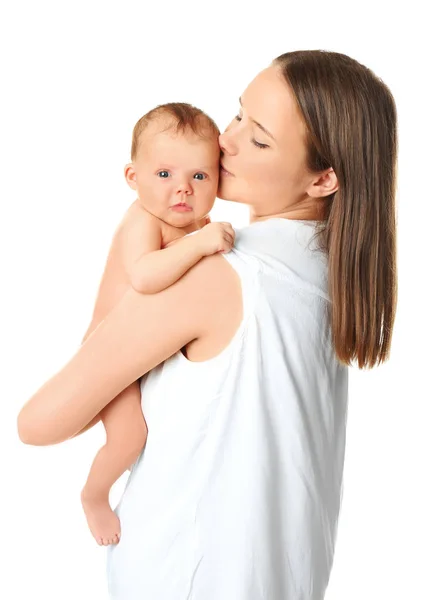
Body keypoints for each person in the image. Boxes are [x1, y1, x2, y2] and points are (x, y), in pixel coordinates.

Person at [17, 49, 398, 600]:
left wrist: (131, 243)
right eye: (237, 114)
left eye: (260, 139)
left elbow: (39, 422)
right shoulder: (330, 275)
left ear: (323, 179)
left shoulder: (221, 275)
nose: (226, 141)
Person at [78, 102, 236, 547]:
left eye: (199, 177)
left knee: (167, 435)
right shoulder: (143, 219)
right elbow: (146, 276)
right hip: (112, 351)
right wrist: (202, 243)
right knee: (130, 436)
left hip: (151, 349)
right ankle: (93, 496)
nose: (182, 190)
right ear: (134, 178)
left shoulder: (191, 224)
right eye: (164, 175)